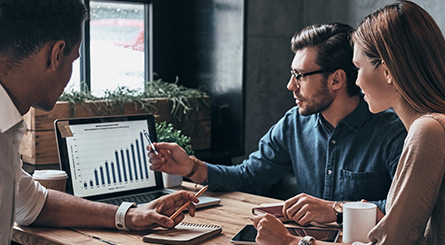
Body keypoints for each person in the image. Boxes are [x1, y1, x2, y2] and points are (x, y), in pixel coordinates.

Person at [253, 1, 445, 245]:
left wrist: (291, 244)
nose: (356, 81)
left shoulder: (429, 131)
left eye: (358, 68)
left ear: (387, 70)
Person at [0, 1, 199, 245]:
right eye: (73, 60)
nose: (70, 77)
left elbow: (33, 204)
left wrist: (130, 215)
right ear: (56, 54)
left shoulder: (7, 126)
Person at [148, 23, 406, 225]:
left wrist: (336, 210)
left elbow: (403, 211)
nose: (290, 85)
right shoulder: (293, 124)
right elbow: (249, 177)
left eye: (300, 76)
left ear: (336, 80)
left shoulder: (392, 132)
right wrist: (191, 167)